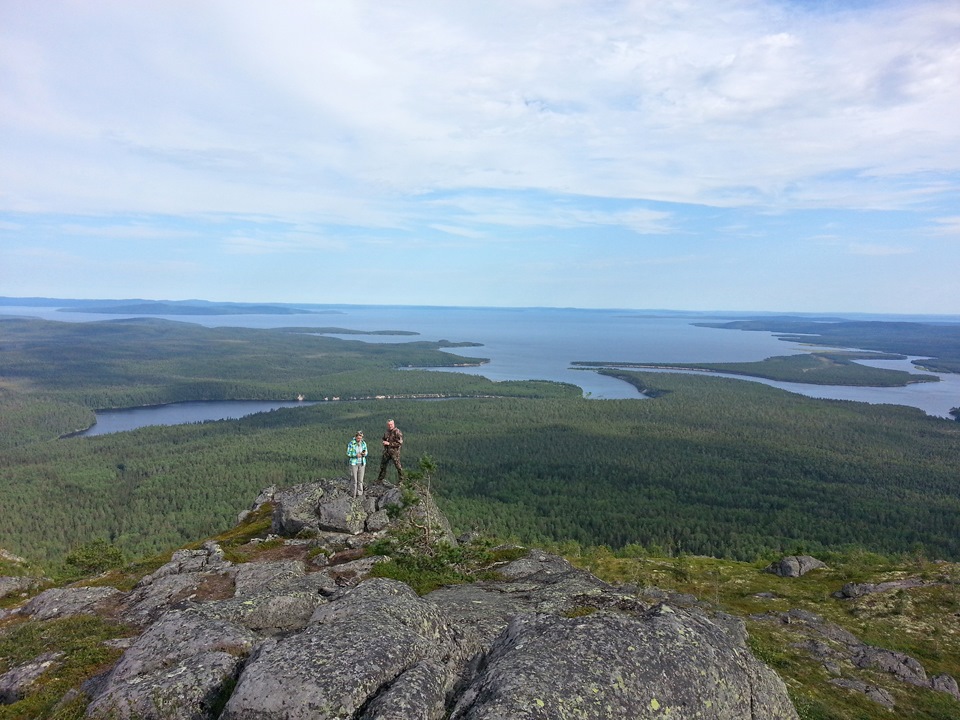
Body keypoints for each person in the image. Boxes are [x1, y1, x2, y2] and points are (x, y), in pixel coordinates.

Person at [376, 418, 404, 486]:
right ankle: (380, 479)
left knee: (398, 466)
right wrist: (384, 442)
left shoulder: (397, 432)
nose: (390, 426)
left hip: (395, 452)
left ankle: (402, 480)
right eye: (389, 425)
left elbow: (399, 443)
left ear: (393, 424)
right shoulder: (387, 432)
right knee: (383, 466)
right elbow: (384, 438)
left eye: (391, 424)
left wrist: (389, 443)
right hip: (387, 452)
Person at [347, 430, 367, 498]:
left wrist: (364, 454)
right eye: (358, 437)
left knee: (360, 480)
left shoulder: (363, 443)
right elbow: (348, 453)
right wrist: (356, 455)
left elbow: (366, 452)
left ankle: (360, 495)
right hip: (353, 464)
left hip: (362, 463)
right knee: (354, 480)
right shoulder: (351, 443)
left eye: (360, 437)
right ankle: (353, 495)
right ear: (355, 436)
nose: (359, 439)